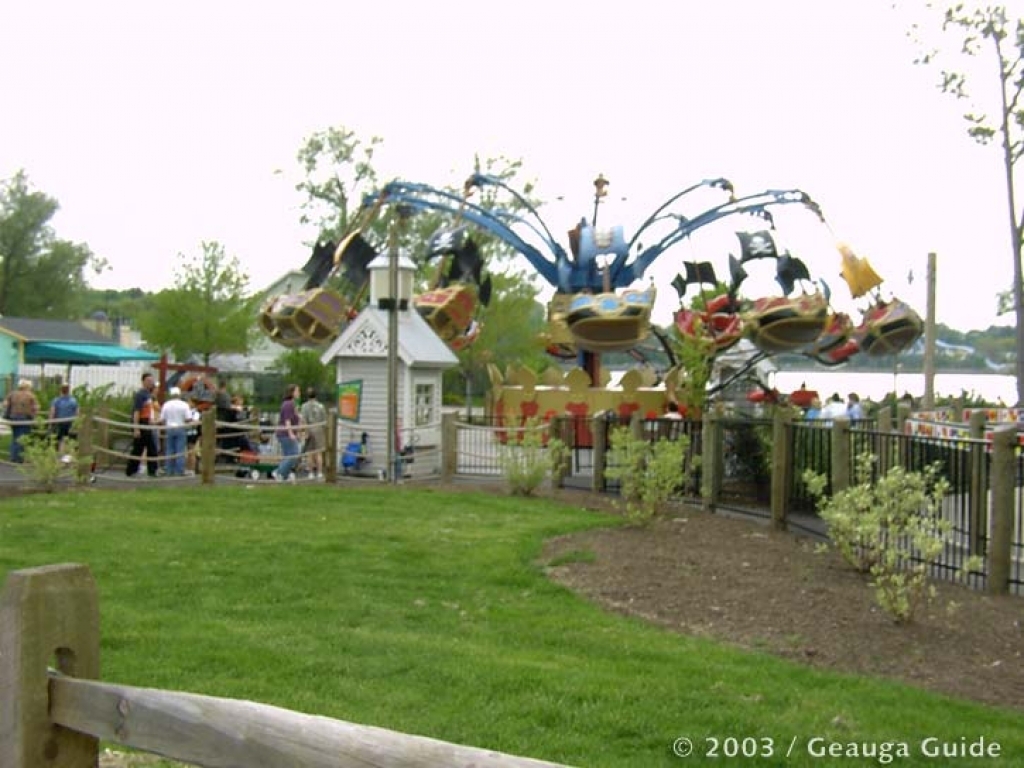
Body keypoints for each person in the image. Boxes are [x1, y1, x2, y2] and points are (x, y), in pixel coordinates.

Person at [126, 372, 159, 478]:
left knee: (151, 448)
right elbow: (136, 412)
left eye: (151, 381)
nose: (150, 383)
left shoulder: (149, 394)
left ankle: (152, 470)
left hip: (148, 422)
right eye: (148, 381)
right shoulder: (140, 395)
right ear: (143, 381)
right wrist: (136, 428)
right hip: (141, 422)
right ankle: (131, 470)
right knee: (138, 448)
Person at [271, 384, 302, 483]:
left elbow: (295, 419)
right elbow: (287, 420)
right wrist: (291, 433)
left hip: (286, 433)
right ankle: (278, 472)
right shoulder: (288, 404)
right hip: (285, 433)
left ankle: (284, 475)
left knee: (288, 455)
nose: (299, 393)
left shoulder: (292, 404)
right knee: (294, 454)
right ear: (292, 392)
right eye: (297, 391)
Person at [160, 386, 193, 476]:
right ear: (179, 394)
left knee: (169, 450)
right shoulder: (184, 405)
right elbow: (188, 419)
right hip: (180, 427)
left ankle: (169, 470)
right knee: (180, 450)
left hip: (169, 428)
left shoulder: (166, 404)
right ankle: (179, 470)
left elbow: (162, 419)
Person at [4, 379, 40, 463]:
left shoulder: (12, 394)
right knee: (22, 438)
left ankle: (13, 457)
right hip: (25, 419)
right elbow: (36, 407)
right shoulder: (30, 395)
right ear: (28, 386)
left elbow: (5, 404)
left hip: (13, 418)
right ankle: (19, 458)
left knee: (15, 437)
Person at [299, 387, 328, 480]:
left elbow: (303, 420)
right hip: (319, 429)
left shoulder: (304, 406)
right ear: (316, 395)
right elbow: (325, 420)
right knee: (319, 453)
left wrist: (304, 431)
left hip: (309, 429)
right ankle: (319, 472)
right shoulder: (321, 406)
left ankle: (311, 473)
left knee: (310, 453)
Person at [49, 383, 79, 455]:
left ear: (60, 390)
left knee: (61, 441)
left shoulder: (56, 401)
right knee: (71, 441)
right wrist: (77, 424)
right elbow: (77, 413)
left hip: (60, 423)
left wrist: (50, 423)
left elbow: (52, 412)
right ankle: (70, 458)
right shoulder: (73, 401)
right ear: (68, 390)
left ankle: (61, 458)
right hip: (71, 423)